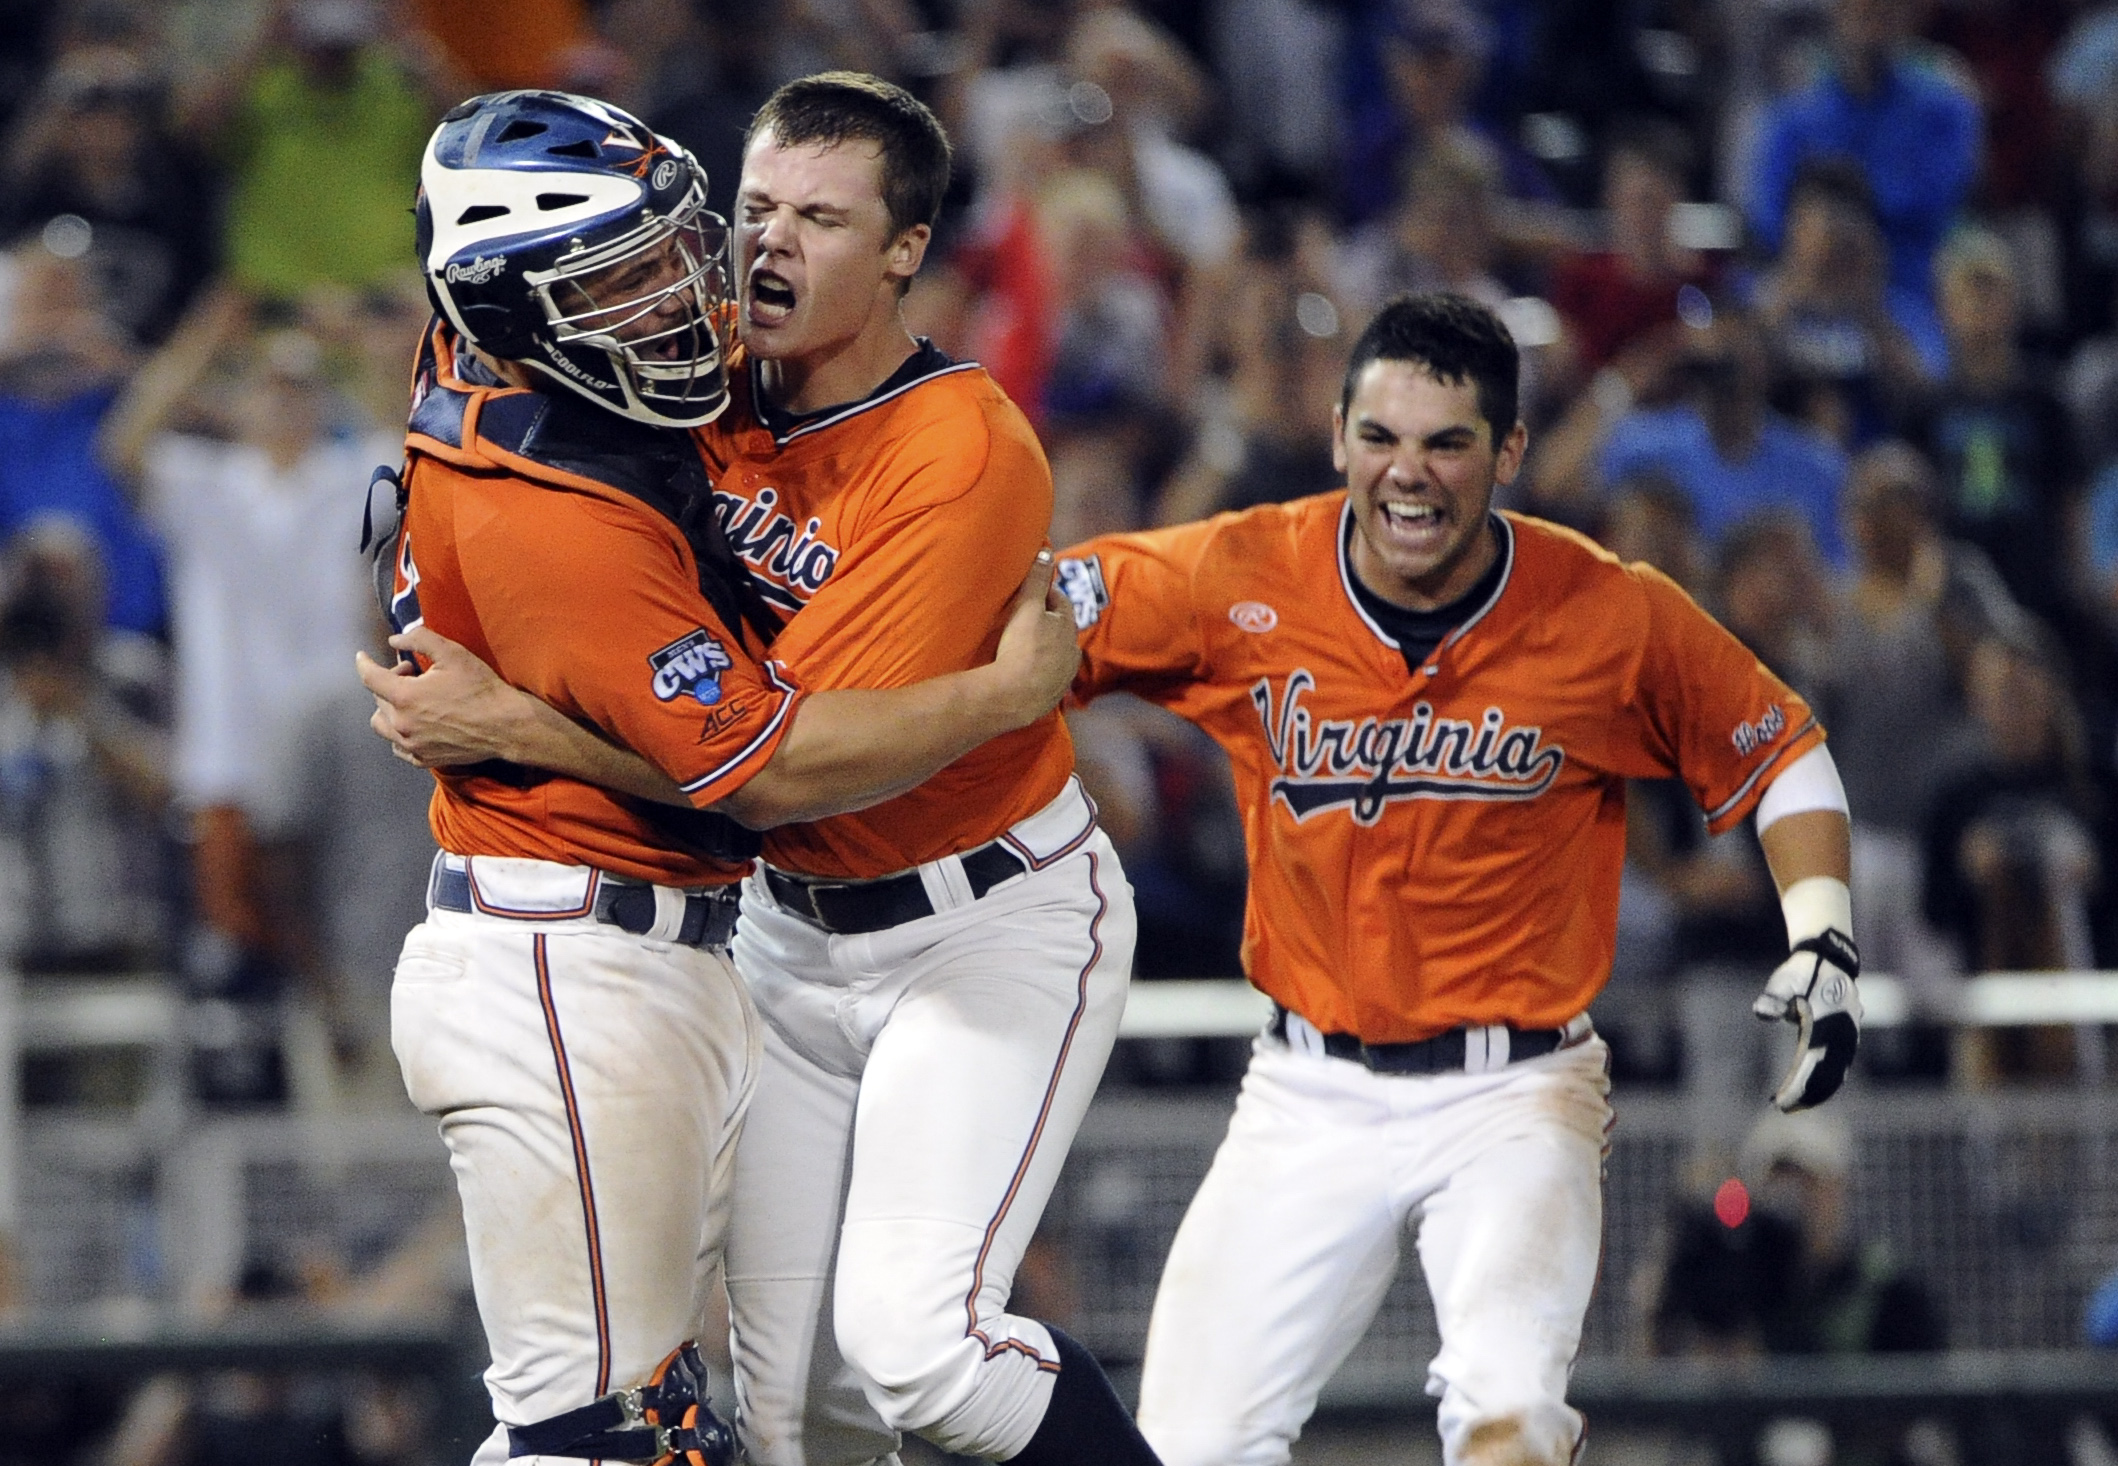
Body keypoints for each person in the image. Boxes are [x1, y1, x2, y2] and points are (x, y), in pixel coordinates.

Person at [366, 74, 1157, 1466]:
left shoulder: (956, 452)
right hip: (781, 934)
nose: (767, 247)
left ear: (906, 249)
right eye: (756, 208)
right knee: (788, 1421)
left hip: (972, 915)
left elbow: (787, 766)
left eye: (822, 219)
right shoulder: (674, 359)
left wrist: (524, 724)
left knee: (917, 1352)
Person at [1051, 293, 1861, 1466]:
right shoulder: (1245, 572)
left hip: (1514, 1093)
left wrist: (1823, 929)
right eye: (1380, 438)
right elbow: (1037, 610)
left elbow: (1781, 747)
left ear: (1512, 451)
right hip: (1305, 1090)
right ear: (1338, 436)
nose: (1407, 473)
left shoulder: (1603, 610)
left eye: (1447, 442)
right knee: (1187, 1445)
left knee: (1511, 1419)